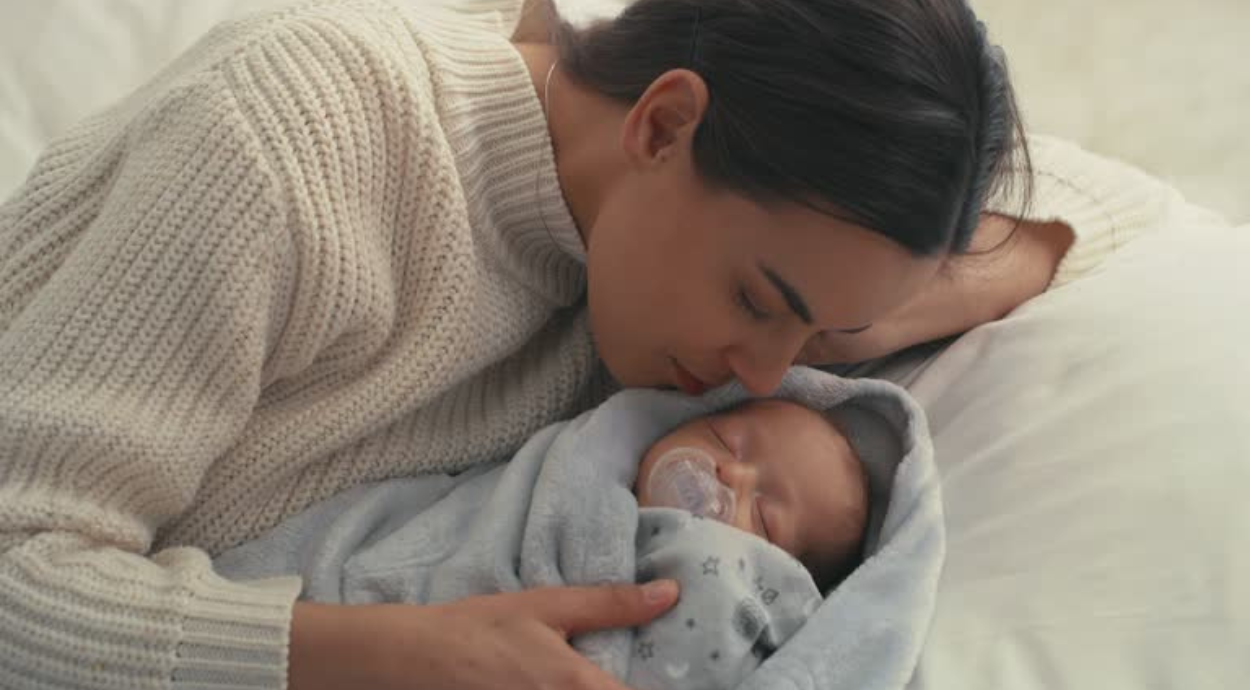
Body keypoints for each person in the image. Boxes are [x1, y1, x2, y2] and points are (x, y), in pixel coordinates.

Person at [0, 0, 1184, 687]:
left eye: (813, 332)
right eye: (757, 298)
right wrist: (393, 655)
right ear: (661, 124)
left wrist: (854, 309)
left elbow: (1120, 213)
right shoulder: (292, 135)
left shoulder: (637, 287)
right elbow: (17, 564)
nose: (764, 374)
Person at [213, 396, 869, 689]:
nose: (731, 474)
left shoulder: (722, 595)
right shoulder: (571, 468)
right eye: (728, 441)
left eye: (766, 518)